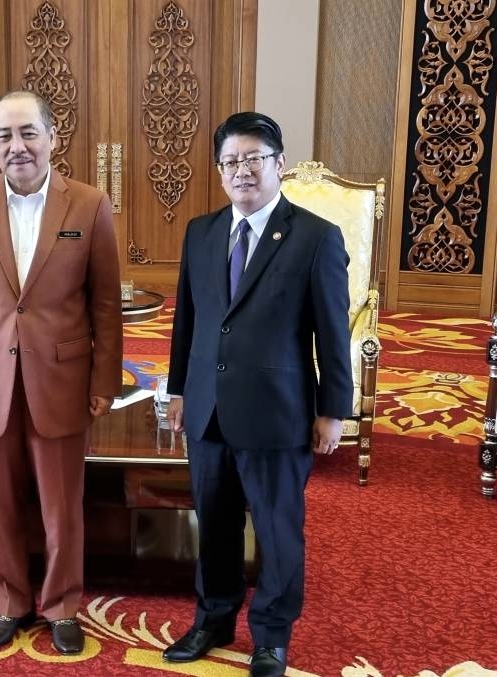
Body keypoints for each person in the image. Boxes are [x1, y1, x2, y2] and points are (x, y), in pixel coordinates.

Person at [162, 112, 352, 677]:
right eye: (230, 161)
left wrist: (333, 410)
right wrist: (177, 391)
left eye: (254, 159)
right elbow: (188, 324)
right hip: (207, 410)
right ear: (219, 170)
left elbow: (332, 332)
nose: (242, 170)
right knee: (214, 523)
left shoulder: (315, 237)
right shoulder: (201, 231)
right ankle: (213, 618)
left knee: (275, 529)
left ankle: (271, 635)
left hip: (278, 413)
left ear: (279, 164)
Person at [0, 90, 123, 655]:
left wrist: (104, 381)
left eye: (27, 133)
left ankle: (63, 603)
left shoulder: (88, 204)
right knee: (2, 499)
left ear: (52, 137)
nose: (16, 147)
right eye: (3, 136)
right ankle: (11, 601)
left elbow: (105, 304)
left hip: (61, 379)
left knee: (62, 502)